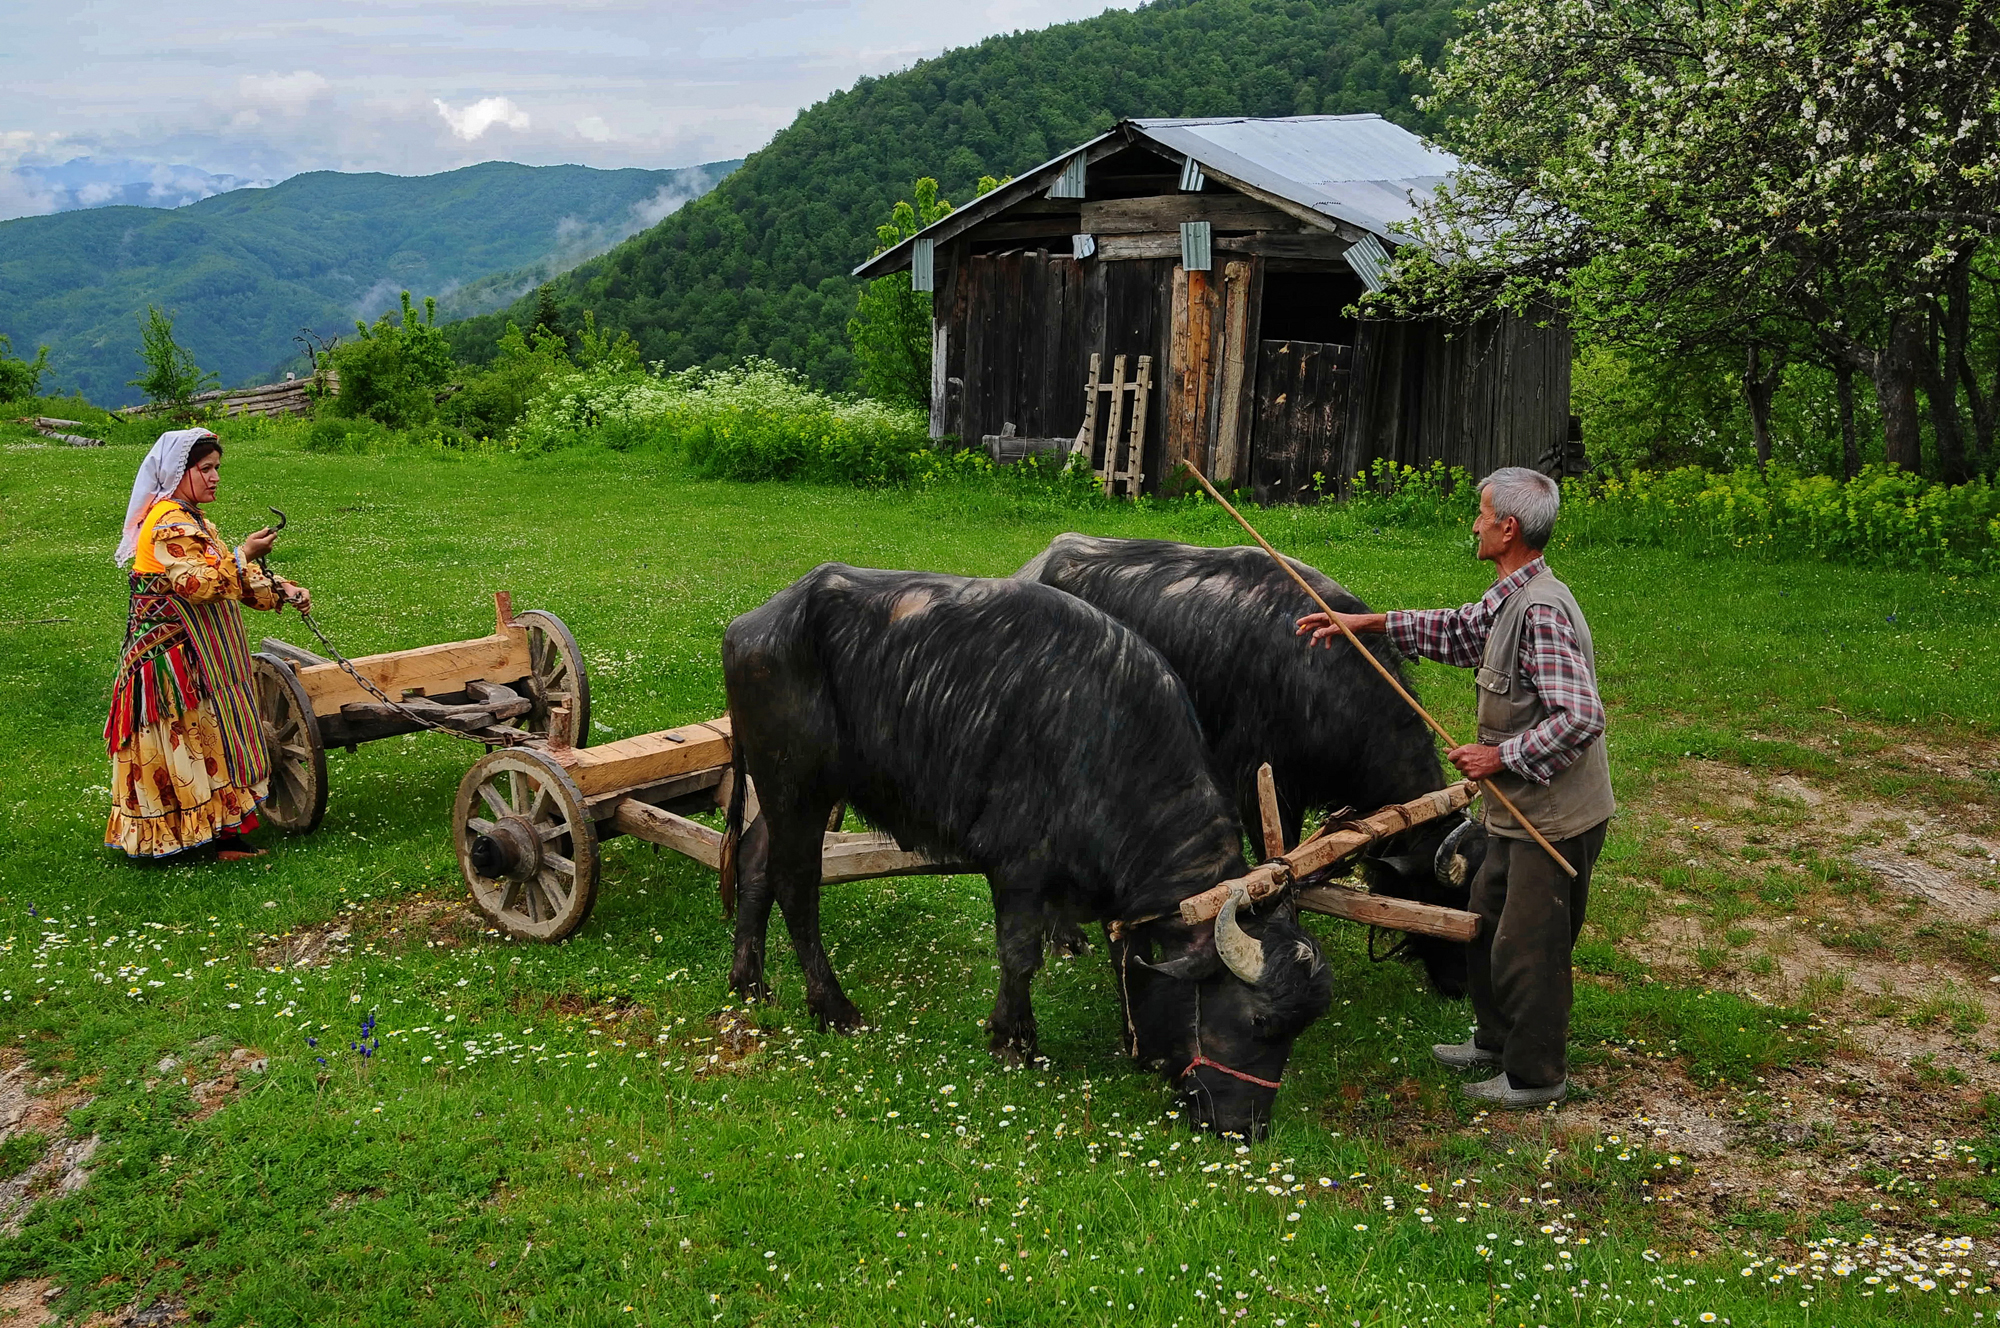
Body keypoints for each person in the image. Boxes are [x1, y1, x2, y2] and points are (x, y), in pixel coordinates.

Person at [1295, 466, 1614, 1108]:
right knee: (1484, 918)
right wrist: (1369, 624)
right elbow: (1456, 629)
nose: (1473, 523)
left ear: (1508, 527)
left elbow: (1581, 716)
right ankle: (1493, 1040)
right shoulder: (1508, 597)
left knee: (1531, 945)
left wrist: (1500, 757)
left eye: (1481, 512)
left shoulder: (1542, 610)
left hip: (1550, 819)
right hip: (1513, 812)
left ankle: (1535, 1075)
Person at [105, 428, 312, 861]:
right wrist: (243, 555)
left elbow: (226, 577)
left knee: (211, 746)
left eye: (217, 467)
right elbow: (197, 583)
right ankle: (186, 841)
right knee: (188, 747)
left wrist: (282, 589)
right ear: (180, 471)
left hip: (200, 658)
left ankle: (220, 836)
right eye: (206, 469)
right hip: (169, 664)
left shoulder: (194, 520)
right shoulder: (168, 524)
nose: (215, 477)